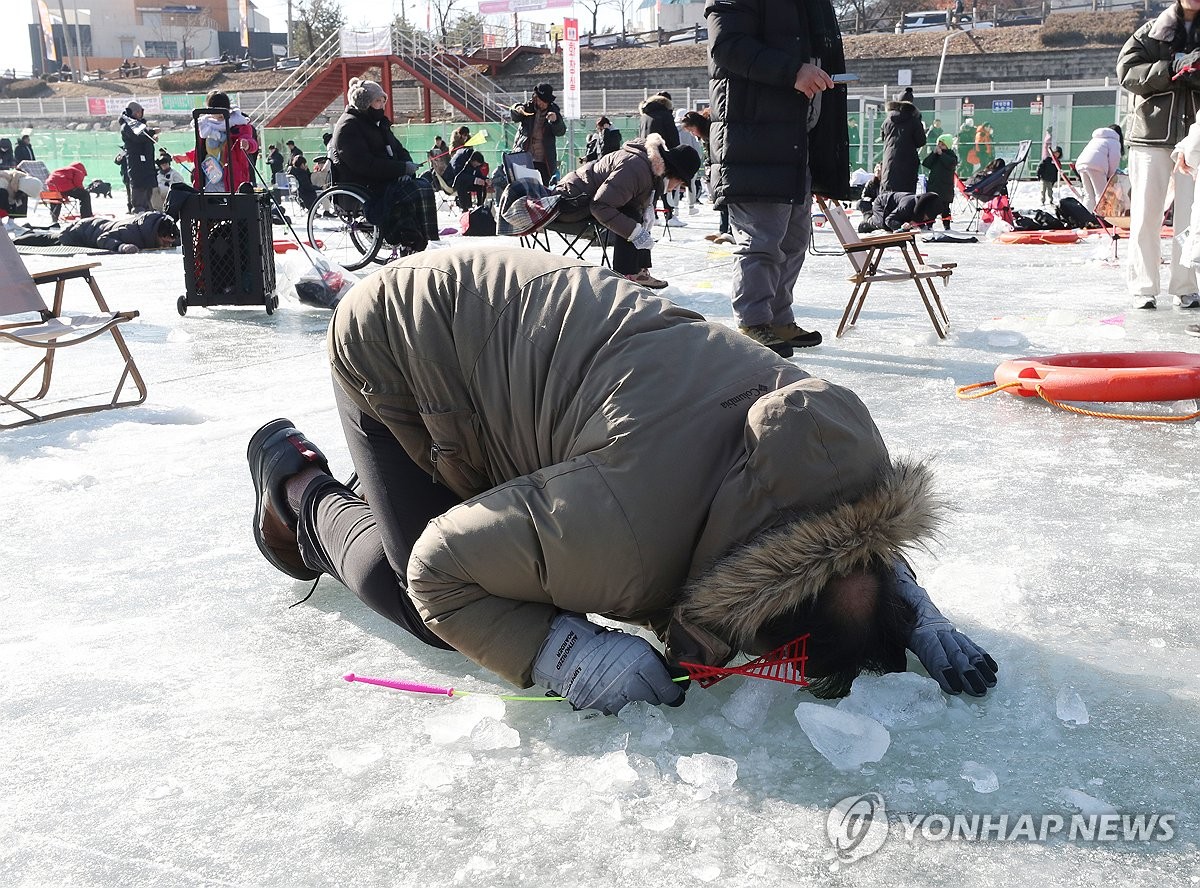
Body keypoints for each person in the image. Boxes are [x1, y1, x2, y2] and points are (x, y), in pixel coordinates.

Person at [244, 247, 999, 717]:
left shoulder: (829, 436)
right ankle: (296, 485)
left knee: (525, 548)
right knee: (425, 604)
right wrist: (561, 656)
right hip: (403, 340)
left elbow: (844, 535)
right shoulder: (622, 531)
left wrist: (913, 614)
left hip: (520, 315)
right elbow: (442, 575)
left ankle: (385, 492)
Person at [707, 0, 851, 356]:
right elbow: (726, 46)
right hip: (753, 140)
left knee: (792, 240)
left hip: (794, 139)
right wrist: (793, 71)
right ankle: (753, 321)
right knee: (762, 240)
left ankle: (778, 318)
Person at [1117, 1, 1200, 311]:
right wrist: (1171, 69)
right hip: (1150, 137)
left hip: (1195, 138)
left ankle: (1187, 286)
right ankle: (1143, 286)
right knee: (1145, 215)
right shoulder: (1150, 32)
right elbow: (1127, 72)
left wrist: (1193, 72)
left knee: (1192, 218)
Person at [554, 134, 701, 289]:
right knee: (630, 217)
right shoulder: (636, 168)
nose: (676, 189)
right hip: (570, 202)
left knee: (637, 215)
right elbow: (600, 205)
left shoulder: (649, 168)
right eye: (680, 183)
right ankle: (628, 274)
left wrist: (647, 211)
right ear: (673, 173)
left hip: (583, 199)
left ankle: (638, 272)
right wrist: (635, 232)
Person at [328, 78, 437, 251]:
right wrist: (400, 169)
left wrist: (407, 166)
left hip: (383, 179)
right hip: (365, 184)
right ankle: (409, 239)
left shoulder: (377, 124)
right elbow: (364, 164)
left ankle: (424, 240)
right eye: (377, 101)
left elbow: (398, 149)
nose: (381, 105)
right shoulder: (348, 126)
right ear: (363, 102)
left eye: (383, 100)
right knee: (413, 190)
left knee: (423, 185)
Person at [13, 211, 178, 253]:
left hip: (92, 226)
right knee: (50, 239)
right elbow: (103, 238)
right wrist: (121, 247)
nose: (166, 245)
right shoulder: (130, 232)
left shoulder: (158, 228)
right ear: (156, 234)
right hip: (81, 232)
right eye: (164, 241)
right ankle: (14, 242)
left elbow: (174, 239)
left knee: (50, 237)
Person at [682, 109, 733, 244]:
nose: (693, 134)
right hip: (717, 168)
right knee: (721, 199)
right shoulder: (705, 134)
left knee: (727, 199)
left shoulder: (712, 130)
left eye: (692, 130)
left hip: (726, 168)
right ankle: (723, 229)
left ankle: (730, 231)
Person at [193, 91, 258, 193]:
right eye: (215, 110)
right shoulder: (204, 127)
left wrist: (247, 144)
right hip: (210, 176)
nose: (219, 114)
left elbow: (253, 144)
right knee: (211, 205)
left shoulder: (238, 125)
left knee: (232, 206)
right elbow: (199, 152)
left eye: (222, 110)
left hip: (233, 178)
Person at [510, 83, 566, 185]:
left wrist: (555, 121)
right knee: (522, 188)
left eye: (545, 101)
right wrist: (517, 109)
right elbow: (514, 114)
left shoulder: (554, 111)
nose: (542, 103)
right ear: (535, 98)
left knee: (541, 190)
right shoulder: (527, 107)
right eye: (540, 100)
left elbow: (561, 131)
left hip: (543, 161)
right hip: (524, 156)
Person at [880, 91, 926, 193]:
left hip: (889, 161)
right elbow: (921, 141)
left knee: (887, 194)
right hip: (908, 163)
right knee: (906, 197)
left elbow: (883, 138)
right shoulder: (914, 120)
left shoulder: (887, 120)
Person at [1074, 124, 1124, 211]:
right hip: (1097, 166)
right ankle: (1101, 219)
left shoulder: (1097, 139)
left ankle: (1087, 218)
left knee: (1089, 195)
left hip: (1081, 164)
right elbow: (1114, 159)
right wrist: (1111, 175)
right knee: (1101, 195)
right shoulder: (1114, 141)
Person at [120, 102, 157, 212]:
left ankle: (147, 212)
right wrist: (152, 134)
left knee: (148, 190)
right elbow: (138, 138)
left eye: (140, 111)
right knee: (139, 188)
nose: (139, 114)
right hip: (137, 162)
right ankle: (138, 212)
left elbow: (144, 136)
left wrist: (152, 137)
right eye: (137, 112)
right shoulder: (127, 126)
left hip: (147, 163)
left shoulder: (140, 124)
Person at [857, 191, 943, 233]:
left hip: (896, 210)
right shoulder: (906, 206)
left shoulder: (922, 208)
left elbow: (919, 221)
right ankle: (868, 220)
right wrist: (901, 226)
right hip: (882, 204)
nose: (925, 219)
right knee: (884, 224)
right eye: (926, 216)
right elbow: (889, 220)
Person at [921, 134, 958, 229]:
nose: (940, 146)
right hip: (934, 185)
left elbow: (951, 164)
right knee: (931, 206)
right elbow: (926, 163)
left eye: (942, 144)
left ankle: (946, 224)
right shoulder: (936, 155)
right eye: (939, 144)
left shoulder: (951, 155)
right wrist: (934, 154)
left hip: (945, 187)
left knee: (945, 208)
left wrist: (942, 154)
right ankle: (929, 224)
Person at [675, 108, 704, 214]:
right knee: (691, 184)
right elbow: (697, 147)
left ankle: (675, 208)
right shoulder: (690, 130)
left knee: (675, 184)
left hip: (677, 160)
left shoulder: (673, 129)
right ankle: (691, 207)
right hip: (690, 160)